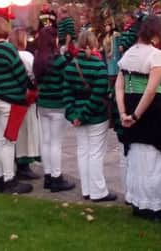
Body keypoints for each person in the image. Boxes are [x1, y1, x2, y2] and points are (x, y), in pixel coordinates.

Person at [116, 16, 161, 219]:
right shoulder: (157, 55)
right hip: (152, 110)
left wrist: (123, 113)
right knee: (156, 158)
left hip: (130, 104)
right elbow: (151, 90)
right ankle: (155, 207)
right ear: (155, 34)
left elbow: (119, 86)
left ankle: (139, 203)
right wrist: (134, 115)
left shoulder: (127, 55)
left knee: (136, 156)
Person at [0, 17, 32, 194]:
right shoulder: (8, 49)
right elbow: (20, 73)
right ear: (5, 30)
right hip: (7, 100)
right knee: (9, 141)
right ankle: (10, 180)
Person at [63, 30, 115, 202]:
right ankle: (98, 191)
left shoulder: (71, 65)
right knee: (95, 154)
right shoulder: (99, 66)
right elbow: (99, 94)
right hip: (96, 115)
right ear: (94, 45)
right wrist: (84, 114)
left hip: (77, 112)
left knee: (83, 151)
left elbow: (67, 93)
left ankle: (86, 189)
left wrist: (73, 115)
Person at [33, 26, 75, 192]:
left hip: (43, 104)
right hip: (58, 104)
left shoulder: (38, 58)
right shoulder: (59, 60)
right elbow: (67, 79)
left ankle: (48, 175)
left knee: (46, 141)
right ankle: (56, 177)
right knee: (56, 143)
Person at [9, 27, 41, 180]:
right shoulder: (27, 56)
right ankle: (24, 165)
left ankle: (17, 163)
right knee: (27, 132)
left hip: (11, 97)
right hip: (26, 98)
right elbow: (34, 76)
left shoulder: (9, 55)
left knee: (15, 131)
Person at [101, 18, 121, 86]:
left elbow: (115, 46)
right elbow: (105, 46)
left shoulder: (115, 34)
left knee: (114, 73)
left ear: (111, 26)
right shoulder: (106, 36)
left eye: (107, 25)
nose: (106, 27)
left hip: (114, 56)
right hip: (108, 57)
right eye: (105, 25)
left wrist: (112, 54)